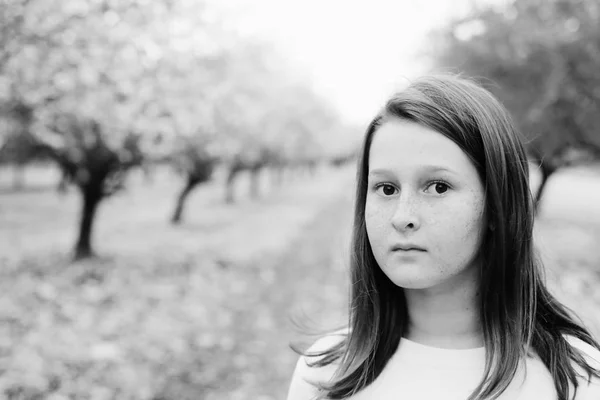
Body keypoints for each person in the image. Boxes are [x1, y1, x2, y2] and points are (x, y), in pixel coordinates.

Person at [286, 74, 600, 400]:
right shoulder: (325, 375)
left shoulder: (577, 382)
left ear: (496, 205)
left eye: (438, 187)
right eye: (387, 188)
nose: (403, 217)